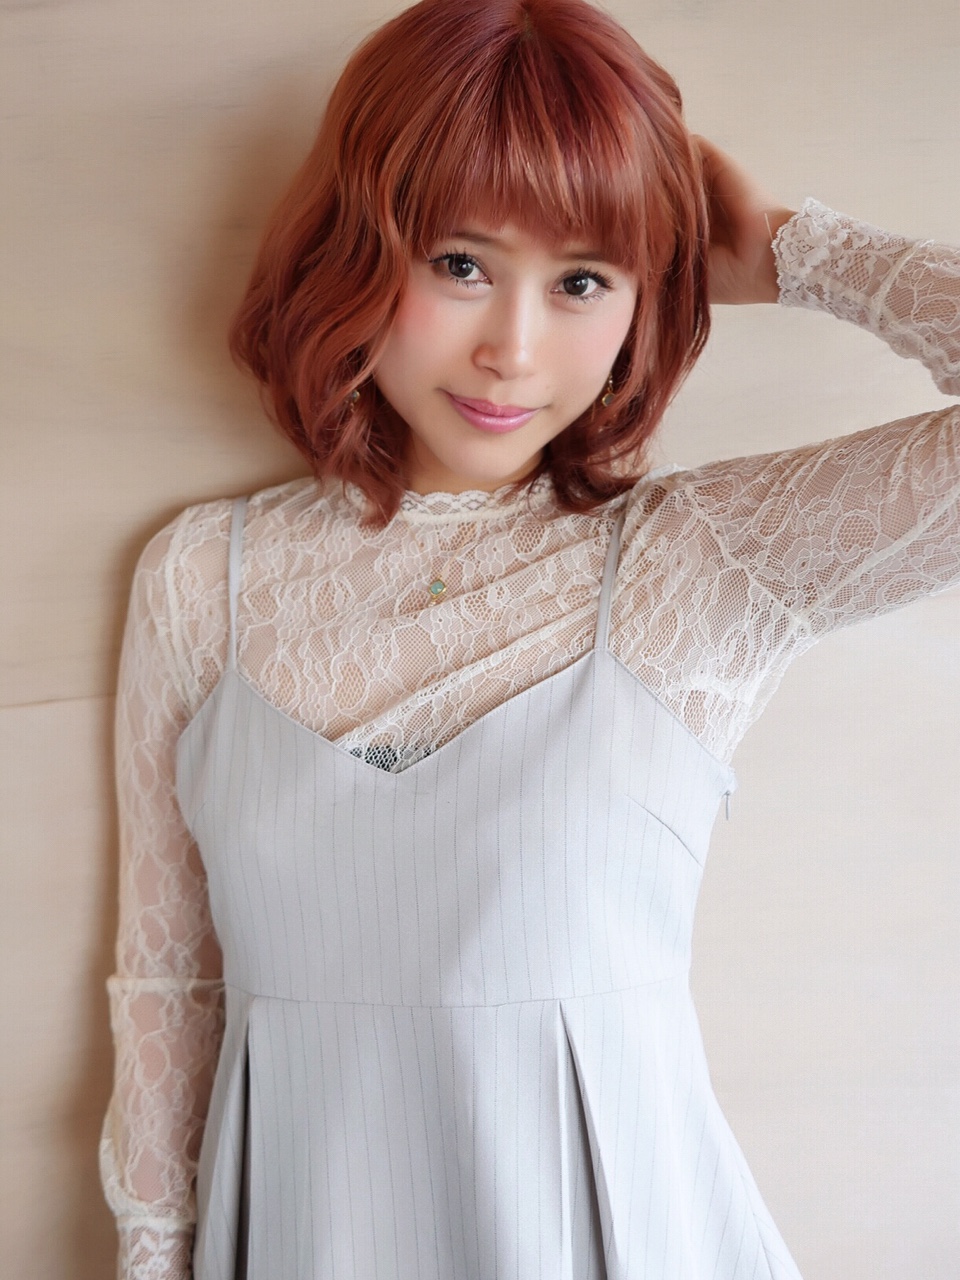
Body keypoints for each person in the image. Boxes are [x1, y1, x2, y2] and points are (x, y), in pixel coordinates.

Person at [98, 0, 960, 1276]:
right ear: (359, 248)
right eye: (462, 263)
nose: (512, 348)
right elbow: (169, 990)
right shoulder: (201, 580)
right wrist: (153, 1252)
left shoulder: (700, 562)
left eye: (582, 280)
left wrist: (792, 250)